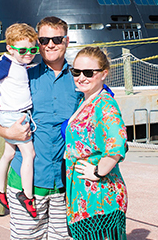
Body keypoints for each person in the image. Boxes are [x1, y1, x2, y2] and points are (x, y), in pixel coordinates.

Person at [0, 16, 80, 240]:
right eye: (44, 40)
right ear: (37, 43)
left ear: (67, 41)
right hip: (27, 184)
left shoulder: (80, 80)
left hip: (66, 184)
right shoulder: (22, 76)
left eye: (57, 39)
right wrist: (7, 133)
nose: (51, 44)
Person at [0, 23, 40, 217]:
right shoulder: (7, 63)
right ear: (10, 48)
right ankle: (27, 196)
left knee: (9, 154)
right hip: (14, 115)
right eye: (23, 50)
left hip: (12, 113)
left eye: (33, 49)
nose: (28, 53)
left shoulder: (19, 63)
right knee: (29, 154)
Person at [65, 46, 128, 240]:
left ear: (103, 74)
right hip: (83, 195)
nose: (81, 77)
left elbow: (118, 142)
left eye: (88, 72)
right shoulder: (84, 100)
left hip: (99, 195)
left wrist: (98, 171)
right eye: (76, 72)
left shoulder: (105, 104)